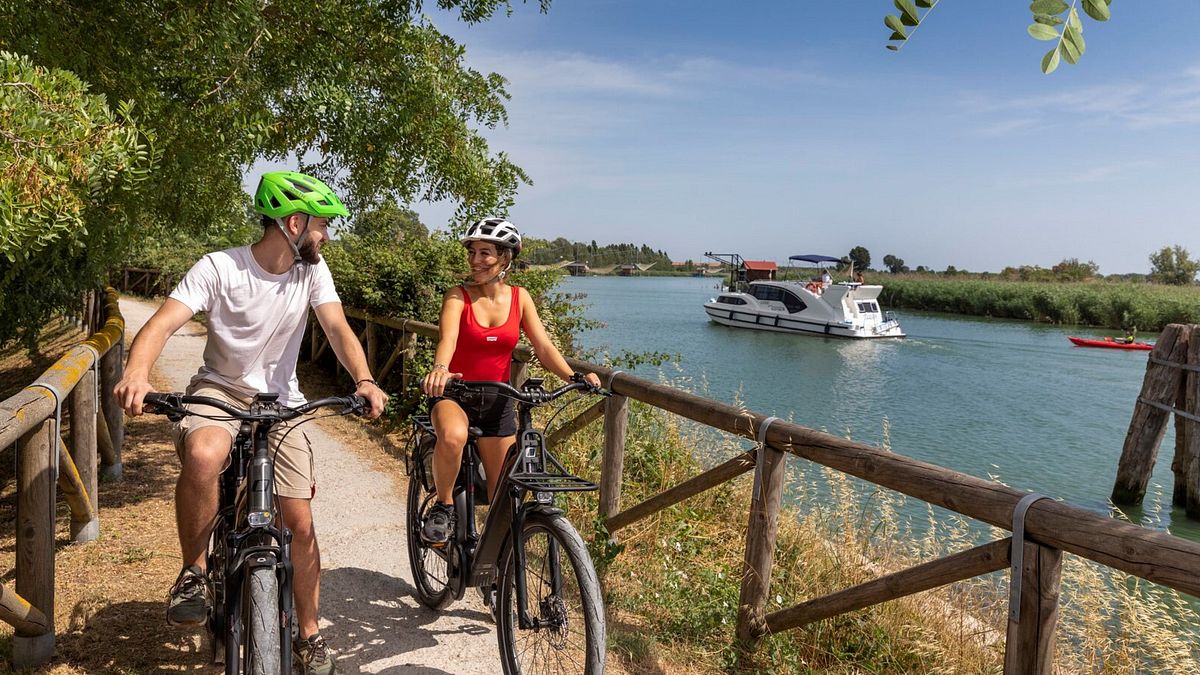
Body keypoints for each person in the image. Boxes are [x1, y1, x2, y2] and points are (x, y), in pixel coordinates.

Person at [114, 171, 387, 675]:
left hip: (282, 400)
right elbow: (160, 323)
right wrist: (136, 372)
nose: (326, 236)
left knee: (298, 520)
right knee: (204, 454)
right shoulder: (220, 267)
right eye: (322, 225)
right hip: (220, 387)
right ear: (293, 222)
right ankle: (194, 573)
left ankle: (309, 634)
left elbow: (338, 329)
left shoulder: (312, 272)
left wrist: (365, 379)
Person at [419, 218, 602, 547]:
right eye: (472, 252)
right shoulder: (458, 296)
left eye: (485, 253)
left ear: (505, 259)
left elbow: (543, 346)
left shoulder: (521, 298)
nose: (475, 260)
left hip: (499, 401)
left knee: (499, 493)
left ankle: (493, 558)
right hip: (456, 394)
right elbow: (447, 339)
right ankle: (444, 506)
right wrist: (441, 368)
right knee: (453, 435)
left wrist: (573, 376)